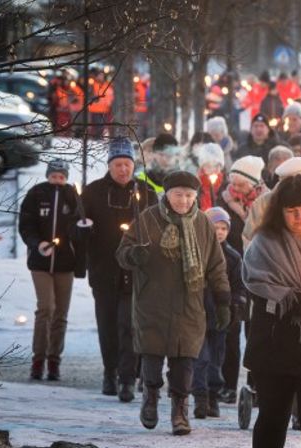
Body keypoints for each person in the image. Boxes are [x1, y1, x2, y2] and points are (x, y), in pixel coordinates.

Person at [116, 171, 231, 436]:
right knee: (152, 358)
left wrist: (223, 298)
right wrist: (134, 254)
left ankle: (180, 411)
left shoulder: (203, 224)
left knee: (184, 363)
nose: (183, 200)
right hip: (152, 301)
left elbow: (216, 265)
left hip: (190, 305)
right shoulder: (148, 219)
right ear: (166, 194)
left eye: (189, 195)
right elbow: (122, 253)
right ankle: (151, 397)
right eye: (178, 194)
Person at [243, 175, 301, 448]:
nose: (299, 217)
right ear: (280, 211)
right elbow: (259, 286)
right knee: (273, 419)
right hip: (276, 343)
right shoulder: (264, 244)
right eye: (292, 211)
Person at [82, 139, 158, 399]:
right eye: (118, 164)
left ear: (133, 165)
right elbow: (78, 228)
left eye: (127, 164)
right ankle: (110, 372)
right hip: (104, 271)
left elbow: (156, 227)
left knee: (129, 324)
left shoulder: (146, 192)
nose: (123, 170)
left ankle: (127, 378)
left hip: (136, 272)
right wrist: (82, 230)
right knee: (108, 325)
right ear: (110, 165)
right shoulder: (93, 192)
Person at [19, 160, 81, 381]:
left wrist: (79, 233)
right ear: (48, 175)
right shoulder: (36, 193)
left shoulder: (72, 195)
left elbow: (79, 223)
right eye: (54, 175)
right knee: (46, 308)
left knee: (61, 313)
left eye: (61, 176)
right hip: (41, 262)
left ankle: (54, 360)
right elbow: (26, 223)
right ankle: (38, 359)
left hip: (65, 263)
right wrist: (37, 243)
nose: (58, 179)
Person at [215, 155, 266, 403]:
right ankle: (227, 385)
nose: (235, 189)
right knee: (230, 332)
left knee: (257, 333)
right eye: (232, 182)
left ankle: (256, 386)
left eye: (241, 185)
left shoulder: (267, 203)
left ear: (254, 184)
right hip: (232, 273)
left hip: (260, 274)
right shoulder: (222, 202)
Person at [192, 207, 244, 420]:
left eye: (224, 228)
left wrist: (234, 308)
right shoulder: (196, 252)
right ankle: (200, 399)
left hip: (221, 318)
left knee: (216, 360)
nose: (220, 232)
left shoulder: (232, 257)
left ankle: (213, 397)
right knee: (200, 358)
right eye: (216, 227)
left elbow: (238, 287)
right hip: (197, 315)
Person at [195, 143, 225, 211]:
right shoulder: (195, 186)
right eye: (209, 166)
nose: (214, 170)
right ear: (203, 167)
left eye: (217, 166)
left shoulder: (225, 187)